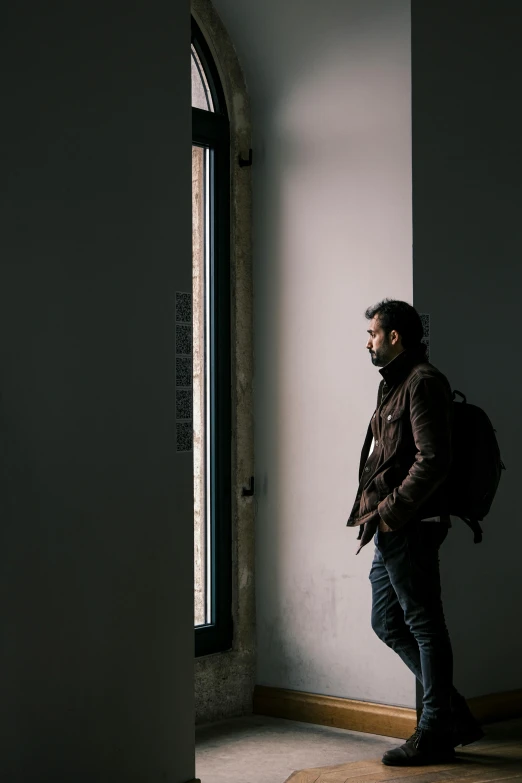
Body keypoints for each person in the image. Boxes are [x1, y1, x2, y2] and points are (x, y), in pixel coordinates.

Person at [347, 299, 483, 767]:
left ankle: (433, 732)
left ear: (395, 336)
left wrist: (391, 511)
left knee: (425, 625)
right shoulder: (395, 384)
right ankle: (451, 713)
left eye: (372, 333)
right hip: (392, 526)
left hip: (411, 525)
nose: (367, 341)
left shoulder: (422, 383)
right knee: (387, 621)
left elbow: (434, 460)